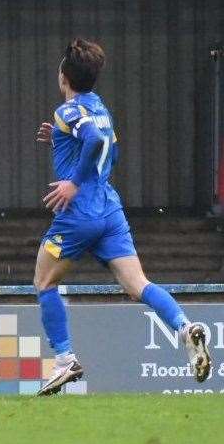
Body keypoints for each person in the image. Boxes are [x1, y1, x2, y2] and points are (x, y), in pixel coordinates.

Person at [33, 38, 211, 395]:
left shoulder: (67, 111)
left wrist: (73, 183)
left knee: (44, 282)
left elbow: (95, 141)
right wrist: (62, 141)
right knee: (137, 284)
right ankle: (183, 327)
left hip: (78, 213)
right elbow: (105, 146)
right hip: (109, 208)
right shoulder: (99, 107)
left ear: (63, 75)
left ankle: (65, 359)